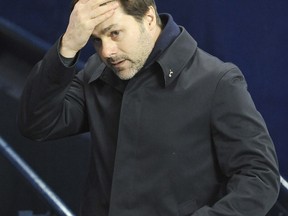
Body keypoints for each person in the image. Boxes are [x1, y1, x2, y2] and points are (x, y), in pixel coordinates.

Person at [18, 0, 280, 215]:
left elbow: (259, 176)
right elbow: (38, 124)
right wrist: (68, 46)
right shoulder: (97, 74)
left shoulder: (216, 81)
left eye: (114, 33)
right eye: (95, 41)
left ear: (149, 18)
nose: (107, 51)